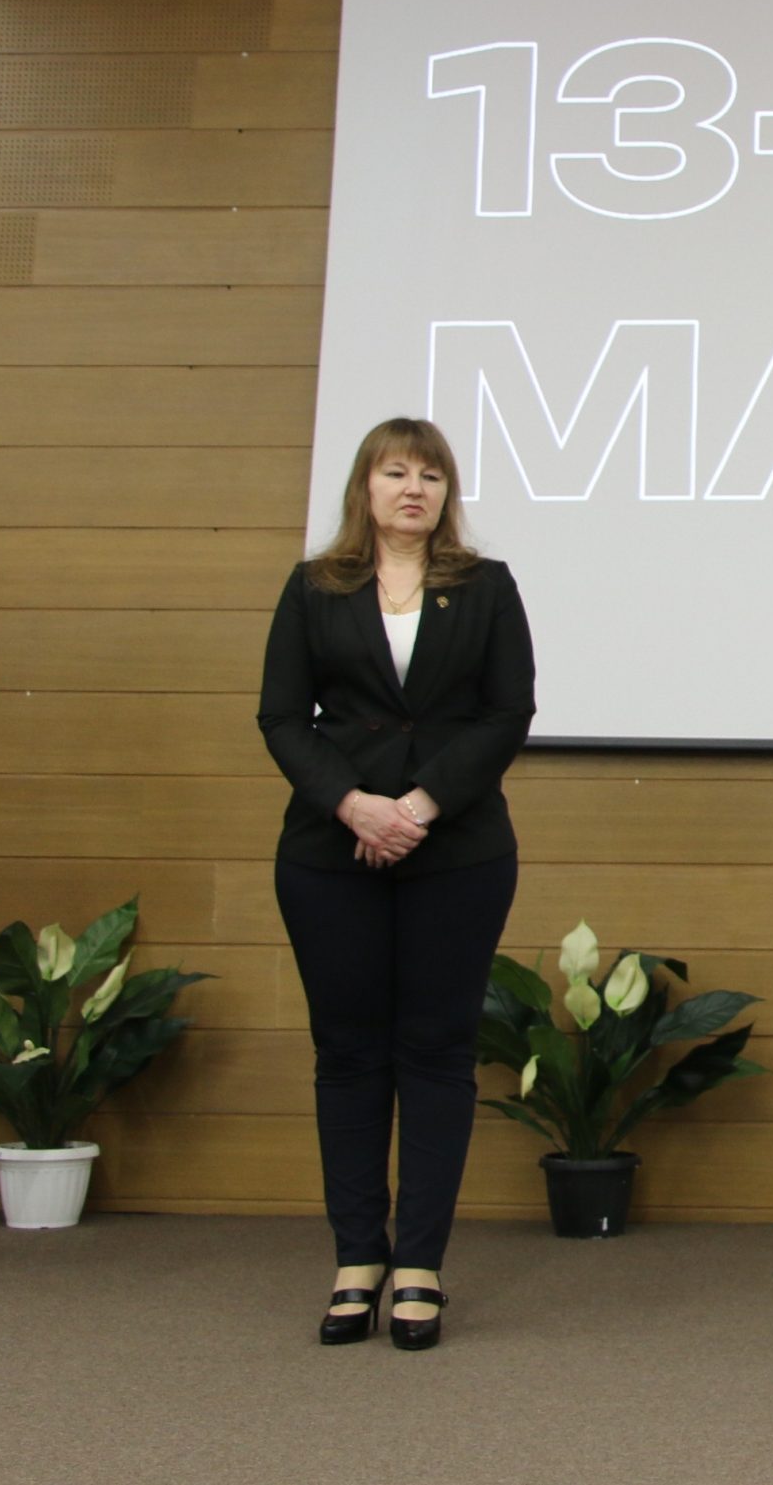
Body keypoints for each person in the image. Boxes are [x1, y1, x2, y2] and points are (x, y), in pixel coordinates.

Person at [257, 417, 535, 1351]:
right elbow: (282, 716)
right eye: (395, 471)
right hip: (329, 852)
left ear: (447, 493)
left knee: (437, 1051)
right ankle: (356, 1260)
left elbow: (508, 713)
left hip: (457, 850)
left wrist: (416, 805)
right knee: (347, 1053)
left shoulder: (486, 587)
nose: (413, 488)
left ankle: (419, 1262)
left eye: (431, 475)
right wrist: (354, 806)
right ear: (365, 487)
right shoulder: (314, 587)